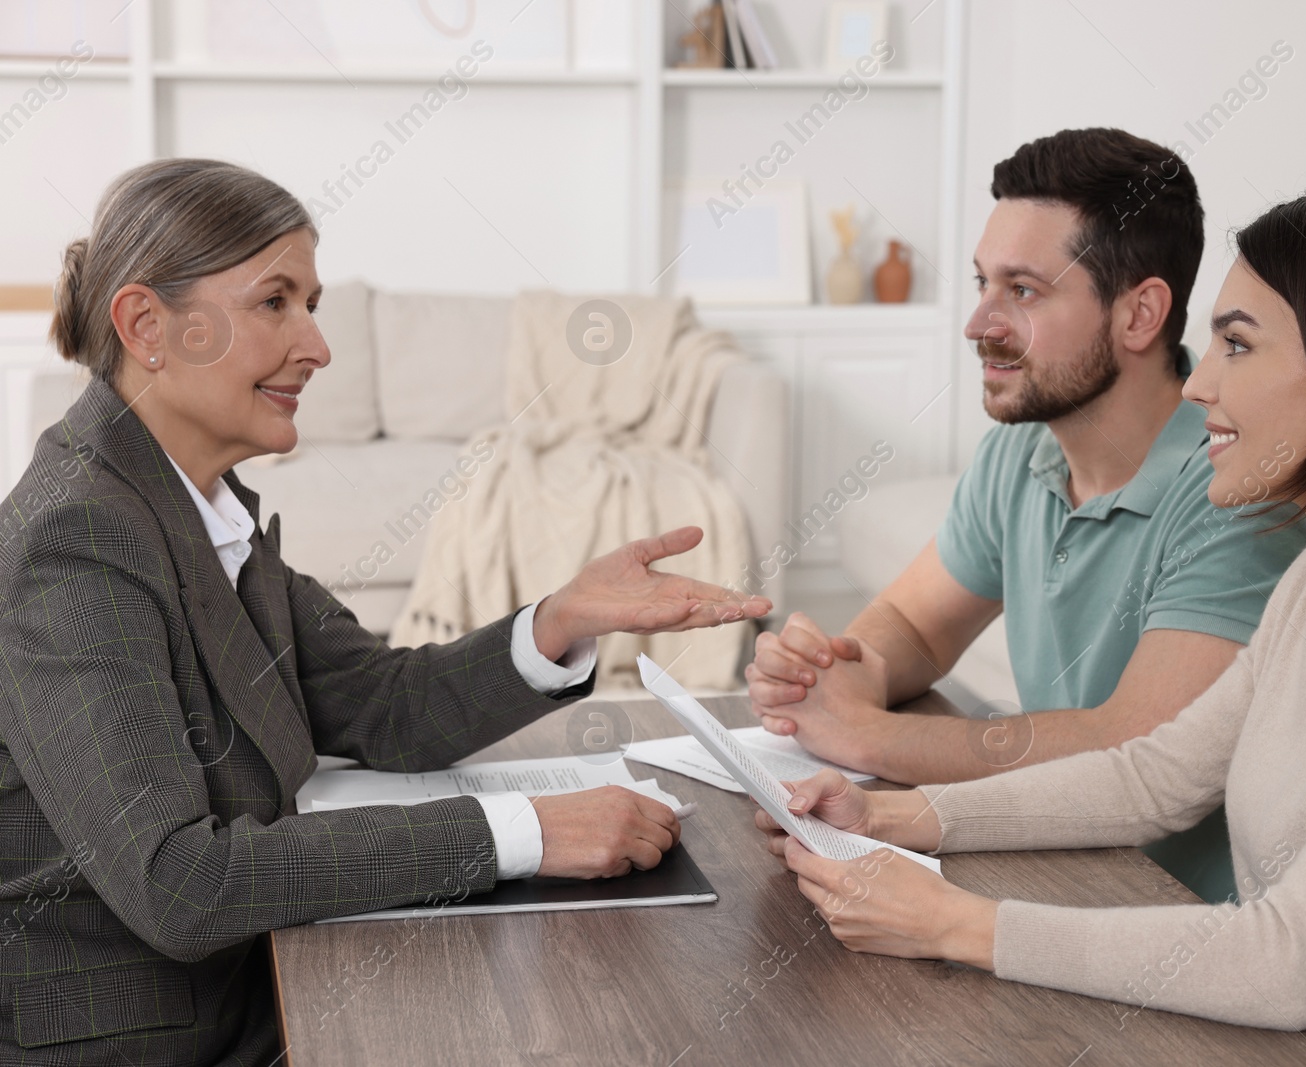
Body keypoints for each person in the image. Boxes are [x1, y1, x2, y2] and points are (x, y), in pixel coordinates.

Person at [755, 185, 1306, 1066]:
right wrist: (895, 817)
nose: (1198, 382)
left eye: (1238, 344)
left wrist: (957, 924)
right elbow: (1154, 777)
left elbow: (1290, 963)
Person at [0, 158, 767, 1066]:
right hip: (156, 1038)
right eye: (276, 302)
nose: (318, 346)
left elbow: (385, 703)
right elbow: (179, 882)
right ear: (146, 325)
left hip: (255, 981)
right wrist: (521, 831)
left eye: (312, 303)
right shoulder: (78, 539)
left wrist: (559, 618)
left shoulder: (196, 504)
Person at [747, 127, 1306, 904]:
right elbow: (914, 627)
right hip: (1053, 867)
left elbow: (1132, 746)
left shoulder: (1234, 491)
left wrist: (866, 734)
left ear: (1140, 314)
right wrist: (839, 671)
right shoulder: (1021, 455)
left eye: (1023, 289)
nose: (979, 324)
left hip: (1181, 922)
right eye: (984, 283)